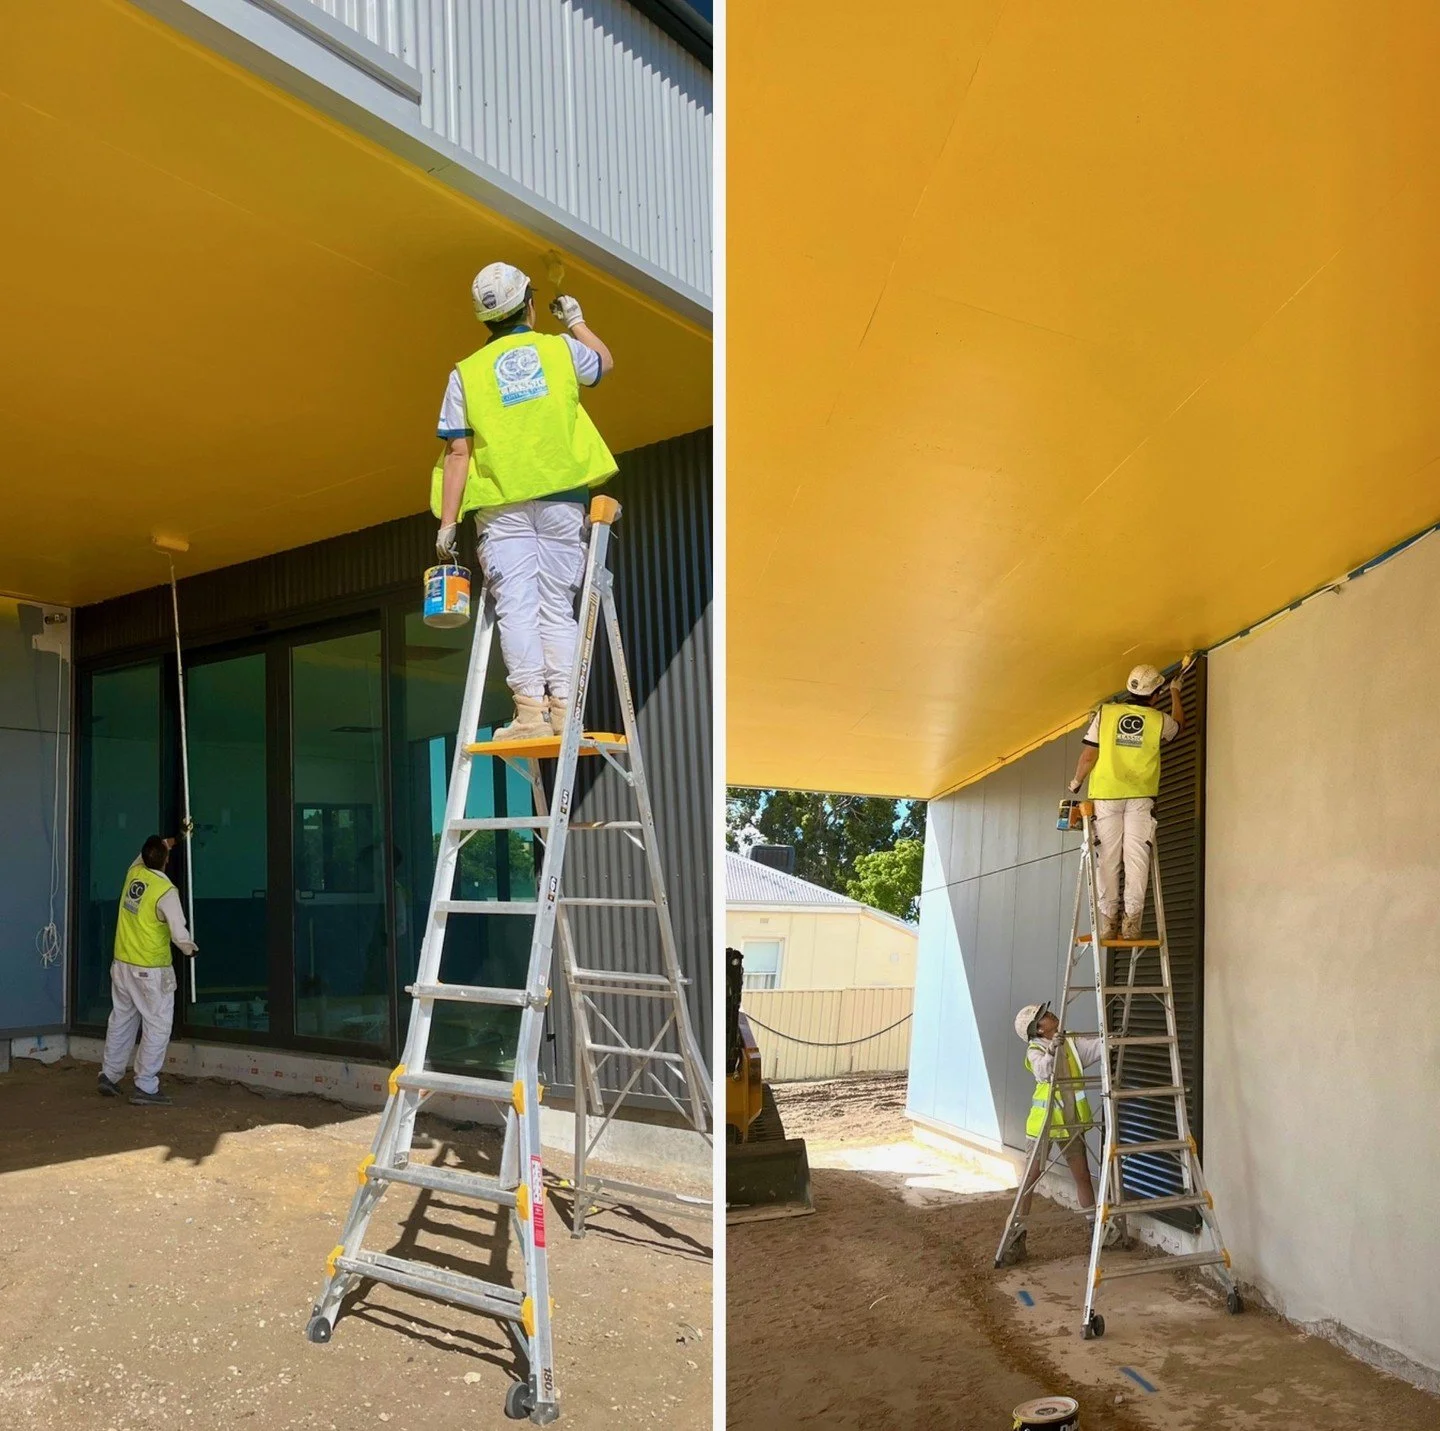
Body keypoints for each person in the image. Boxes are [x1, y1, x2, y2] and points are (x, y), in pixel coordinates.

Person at [433, 261, 617, 741]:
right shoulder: (559, 349)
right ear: (531, 306)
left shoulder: (465, 375)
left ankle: (530, 714)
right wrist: (574, 319)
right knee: (556, 606)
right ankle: (564, 712)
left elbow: (458, 451)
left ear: (484, 319)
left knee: (516, 607)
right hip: (562, 500)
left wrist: (447, 525)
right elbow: (604, 363)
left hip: (502, 508)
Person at [1066, 662, 1184, 941]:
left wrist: (1076, 782)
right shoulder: (1159, 720)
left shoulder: (1106, 714)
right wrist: (1177, 692)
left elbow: (1088, 757)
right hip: (1141, 798)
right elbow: (1179, 726)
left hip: (1107, 797)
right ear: (1157, 693)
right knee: (1136, 858)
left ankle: (1108, 923)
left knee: (1107, 858)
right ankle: (1131, 924)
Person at [98, 836, 198, 1106]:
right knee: (157, 1025)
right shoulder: (165, 891)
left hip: (122, 964)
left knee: (122, 1019)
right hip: (150, 969)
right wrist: (191, 949)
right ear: (166, 860)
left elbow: (142, 855)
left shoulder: (134, 874)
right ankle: (145, 1085)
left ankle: (109, 1074)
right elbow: (179, 934)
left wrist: (166, 842)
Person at [1011, 1002, 1116, 1249]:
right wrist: (1051, 1052)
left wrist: (1115, 1040)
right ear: (1037, 1030)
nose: (1050, 1015)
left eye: (1046, 1012)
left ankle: (1095, 1230)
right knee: (1030, 1180)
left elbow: (1096, 1048)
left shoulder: (1070, 1042)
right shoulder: (1035, 1049)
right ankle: (1016, 1234)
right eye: (1043, 1016)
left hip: (1069, 1123)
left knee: (1082, 1177)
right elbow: (1043, 1070)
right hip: (1044, 1126)